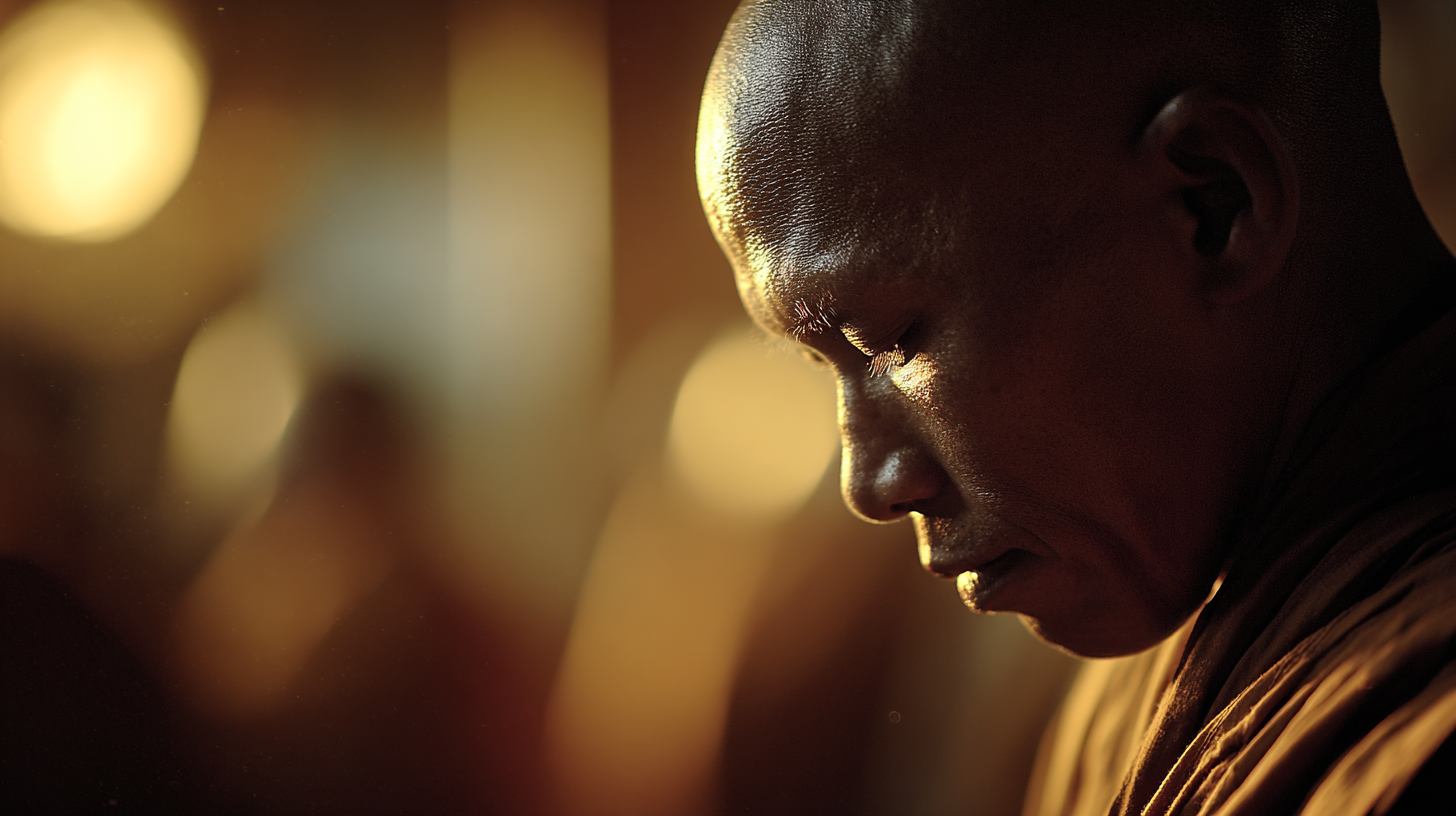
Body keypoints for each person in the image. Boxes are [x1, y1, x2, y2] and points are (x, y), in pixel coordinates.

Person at [695, 1, 1456, 814]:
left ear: (1215, 207)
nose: (869, 484)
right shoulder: (1160, 641)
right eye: (825, 365)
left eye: (892, 341)